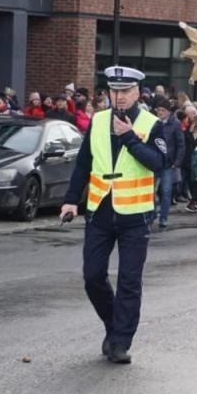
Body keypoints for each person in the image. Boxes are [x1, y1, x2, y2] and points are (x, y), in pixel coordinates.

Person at [59, 66, 167, 365]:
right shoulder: (97, 121)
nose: (119, 97)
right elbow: (84, 163)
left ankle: (120, 341)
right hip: (100, 211)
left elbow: (159, 162)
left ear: (137, 92)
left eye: (125, 91)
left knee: (129, 281)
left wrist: (130, 137)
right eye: (114, 91)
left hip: (135, 214)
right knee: (92, 276)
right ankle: (112, 324)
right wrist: (71, 201)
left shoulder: (150, 124)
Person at [149, 97, 185, 232]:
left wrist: (177, 162)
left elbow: (180, 144)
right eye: (158, 110)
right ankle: (151, 215)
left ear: (169, 112)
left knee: (166, 191)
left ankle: (163, 217)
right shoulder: (153, 123)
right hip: (154, 162)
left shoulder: (175, 124)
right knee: (150, 191)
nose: (160, 112)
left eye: (163, 110)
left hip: (168, 163)